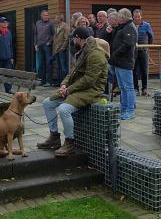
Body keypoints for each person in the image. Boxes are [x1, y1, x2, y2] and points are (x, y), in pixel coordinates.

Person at [37, 27, 108, 157]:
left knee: (64, 109)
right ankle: (54, 137)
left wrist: (69, 89)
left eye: (74, 38)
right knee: (48, 103)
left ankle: (70, 142)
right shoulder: (84, 51)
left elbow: (89, 80)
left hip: (91, 91)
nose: (73, 41)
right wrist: (64, 84)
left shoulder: (95, 54)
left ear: (78, 38)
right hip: (77, 88)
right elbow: (72, 72)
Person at [109, 8, 138, 120]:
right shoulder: (124, 27)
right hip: (119, 62)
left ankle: (130, 110)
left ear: (124, 18)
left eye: (120, 17)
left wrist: (115, 54)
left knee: (128, 88)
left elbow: (127, 44)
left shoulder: (130, 27)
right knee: (122, 87)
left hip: (125, 62)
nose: (118, 19)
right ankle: (124, 107)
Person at [132, 9, 154, 96]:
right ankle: (136, 89)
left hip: (143, 51)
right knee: (134, 70)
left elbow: (151, 36)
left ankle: (144, 89)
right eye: (135, 16)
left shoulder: (146, 25)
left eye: (138, 16)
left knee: (144, 70)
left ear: (141, 16)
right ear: (133, 16)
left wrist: (148, 46)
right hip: (133, 51)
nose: (137, 18)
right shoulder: (131, 25)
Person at [34, 10, 54, 87]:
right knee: (41, 64)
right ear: (41, 16)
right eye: (45, 15)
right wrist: (35, 44)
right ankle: (42, 81)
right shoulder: (37, 23)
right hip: (39, 45)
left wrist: (49, 43)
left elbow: (53, 35)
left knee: (48, 63)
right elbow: (35, 34)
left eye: (47, 15)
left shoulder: (51, 23)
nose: (46, 16)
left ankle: (49, 81)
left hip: (47, 46)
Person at [52, 14, 69, 86]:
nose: (54, 19)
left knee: (63, 66)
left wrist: (63, 47)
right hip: (56, 49)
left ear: (60, 19)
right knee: (58, 66)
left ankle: (64, 83)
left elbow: (66, 38)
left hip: (62, 49)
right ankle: (58, 82)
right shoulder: (56, 26)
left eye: (56, 18)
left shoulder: (65, 26)